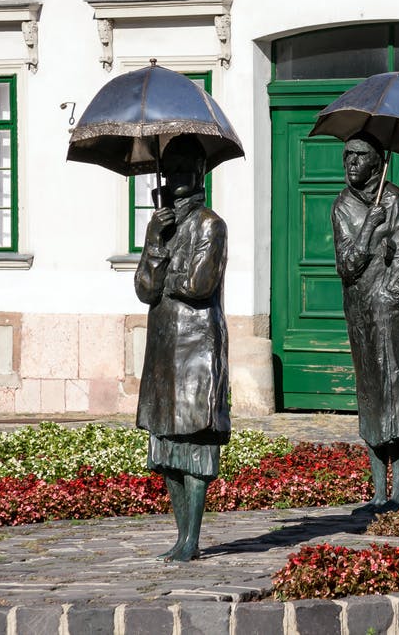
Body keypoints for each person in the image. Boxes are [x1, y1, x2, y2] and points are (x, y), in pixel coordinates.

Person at [331, 132, 399, 511]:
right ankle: (378, 491)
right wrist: (368, 229)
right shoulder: (342, 206)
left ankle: (396, 492)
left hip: (396, 316)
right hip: (362, 317)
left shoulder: (395, 199)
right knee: (373, 400)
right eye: (347, 155)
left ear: (378, 162)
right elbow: (347, 265)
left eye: (359, 156)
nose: (351, 163)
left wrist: (387, 294)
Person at [135, 134, 230, 559]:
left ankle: (192, 538)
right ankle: (180, 537)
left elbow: (197, 284)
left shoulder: (210, 224)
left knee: (195, 444)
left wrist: (166, 277)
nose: (175, 175)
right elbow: (144, 289)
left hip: (197, 346)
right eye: (170, 168)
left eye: (184, 167)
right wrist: (155, 240)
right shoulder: (160, 226)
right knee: (167, 447)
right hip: (163, 345)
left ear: (200, 172)